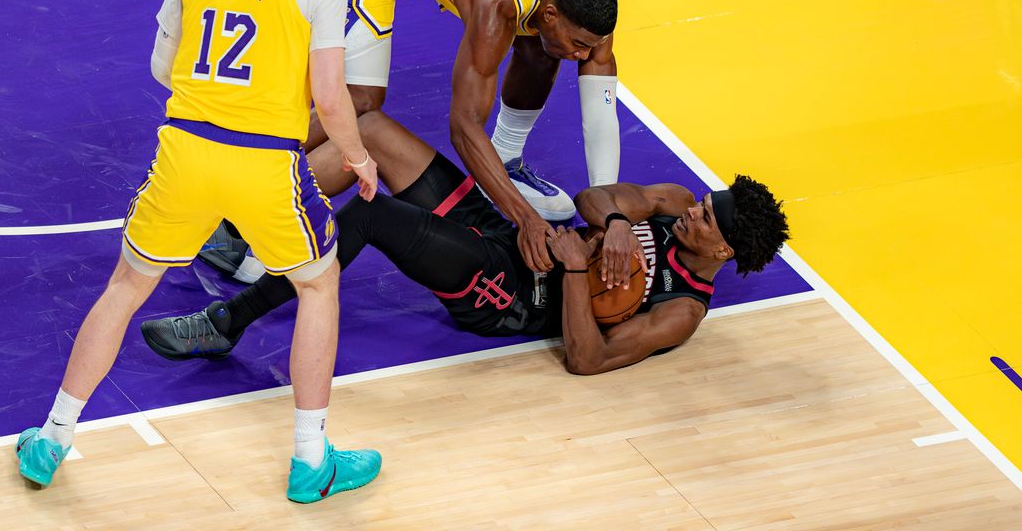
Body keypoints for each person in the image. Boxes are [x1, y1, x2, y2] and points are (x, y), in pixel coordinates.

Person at [14, 0, 382, 504]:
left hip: (184, 149)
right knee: (318, 287)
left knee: (126, 287)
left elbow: (163, 66)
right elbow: (331, 98)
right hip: (264, 161)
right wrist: (356, 157)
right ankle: (311, 460)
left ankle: (51, 438)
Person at [141, 111, 791, 373]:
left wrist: (571, 271)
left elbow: (588, 360)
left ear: (725, 251)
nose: (695, 210)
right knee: (369, 133)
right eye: (704, 203)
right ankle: (240, 226)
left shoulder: (680, 312)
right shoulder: (675, 204)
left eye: (708, 218)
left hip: (507, 291)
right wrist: (617, 226)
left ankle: (227, 320)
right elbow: (601, 199)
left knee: (371, 218)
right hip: (515, 238)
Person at [317, 0, 622, 274]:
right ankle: (260, 170)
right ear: (551, 13)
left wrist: (608, 214)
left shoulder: (579, 1)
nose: (586, 53)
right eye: (582, 44)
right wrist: (524, 218)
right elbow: (463, 126)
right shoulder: (493, 3)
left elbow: (600, 117)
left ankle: (507, 159)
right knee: (361, 101)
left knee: (545, 47)